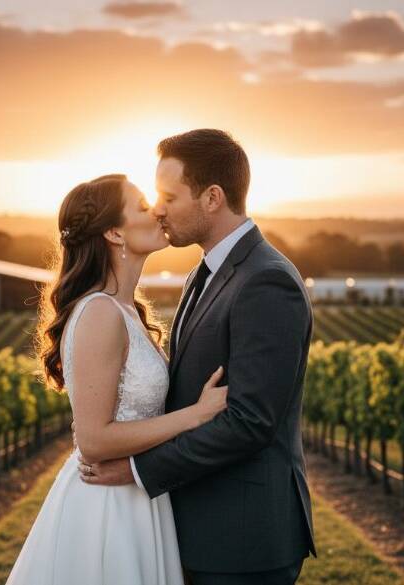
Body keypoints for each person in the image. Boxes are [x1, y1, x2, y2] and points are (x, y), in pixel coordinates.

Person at [77, 129, 317, 585]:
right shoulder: (205, 272)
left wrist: (137, 469)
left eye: (169, 195)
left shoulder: (267, 282)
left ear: (212, 198)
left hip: (241, 538)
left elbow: (250, 421)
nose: (158, 207)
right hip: (197, 525)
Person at [4, 172, 228, 585]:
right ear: (113, 232)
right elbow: (93, 440)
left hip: (139, 495)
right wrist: (195, 416)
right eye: (143, 206)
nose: (158, 210)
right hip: (108, 508)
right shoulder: (100, 314)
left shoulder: (126, 311)